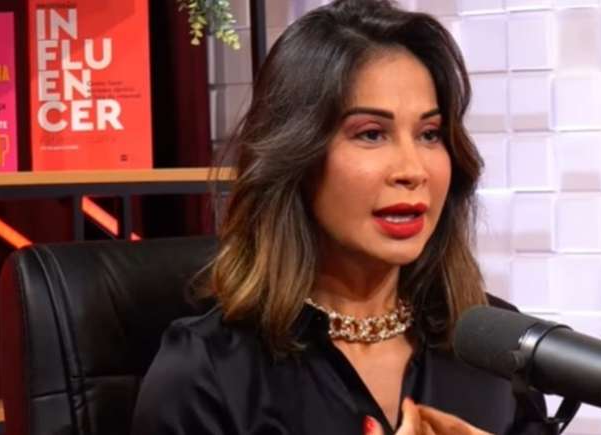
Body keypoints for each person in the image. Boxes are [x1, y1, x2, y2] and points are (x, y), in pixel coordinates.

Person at [131, 1, 547, 434]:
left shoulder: (497, 348)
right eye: (371, 134)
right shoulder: (208, 369)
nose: (412, 170)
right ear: (297, 157)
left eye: (429, 134)